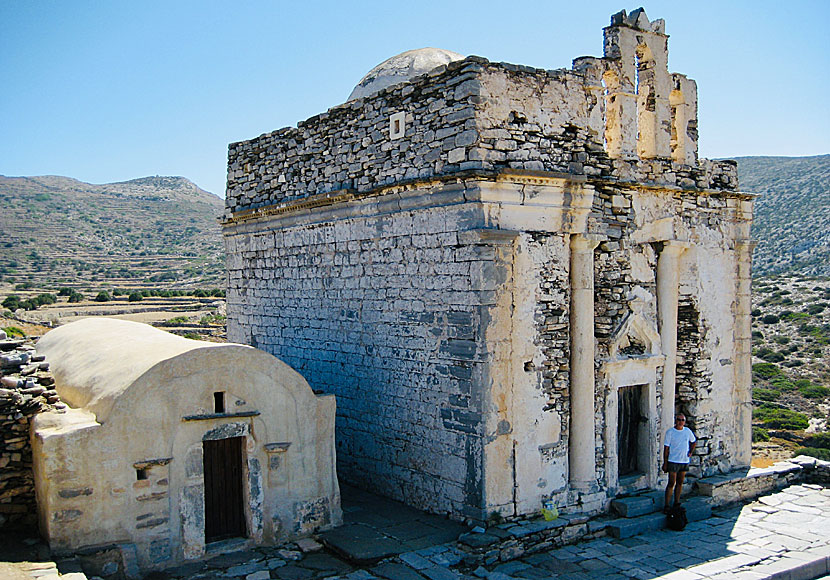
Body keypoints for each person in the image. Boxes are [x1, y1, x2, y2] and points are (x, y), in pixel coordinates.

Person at [662, 413, 696, 513]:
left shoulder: (687, 431)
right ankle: (667, 504)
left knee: (680, 482)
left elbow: (693, 441)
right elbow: (666, 448)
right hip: (673, 460)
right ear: (675, 420)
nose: (680, 422)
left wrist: (690, 452)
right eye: (679, 419)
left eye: (682, 420)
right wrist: (665, 462)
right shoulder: (670, 432)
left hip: (684, 461)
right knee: (671, 482)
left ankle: (676, 502)